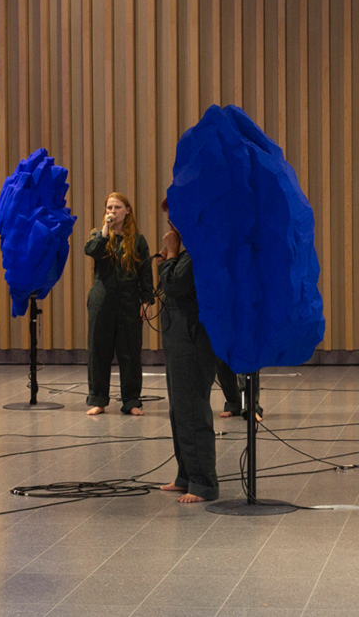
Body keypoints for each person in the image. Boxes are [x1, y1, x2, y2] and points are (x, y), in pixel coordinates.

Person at [154, 200, 219, 503]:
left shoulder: (199, 246)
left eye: (173, 221)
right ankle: (186, 473)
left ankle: (203, 482)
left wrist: (170, 254)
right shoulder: (187, 246)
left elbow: (176, 284)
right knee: (178, 408)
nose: (170, 227)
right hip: (177, 334)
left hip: (193, 336)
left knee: (192, 409)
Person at [84, 192, 154, 416]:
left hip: (129, 301)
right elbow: (91, 251)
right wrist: (106, 231)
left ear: (127, 211)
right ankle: (98, 399)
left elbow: (145, 273)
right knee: (99, 350)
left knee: (130, 352)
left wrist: (147, 300)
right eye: (108, 208)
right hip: (102, 300)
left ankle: (131, 400)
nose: (112, 212)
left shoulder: (138, 240)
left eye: (116, 208)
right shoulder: (98, 235)